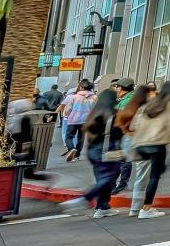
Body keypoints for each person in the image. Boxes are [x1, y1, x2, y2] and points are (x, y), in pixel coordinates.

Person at [127, 81, 170, 219]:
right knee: (154, 177)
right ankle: (146, 209)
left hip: (140, 145)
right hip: (157, 145)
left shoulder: (151, 103)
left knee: (142, 176)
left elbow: (134, 124)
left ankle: (135, 207)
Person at [58, 88, 123, 218]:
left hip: (93, 150)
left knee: (103, 179)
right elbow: (118, 134)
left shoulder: (94, 113)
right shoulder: (113, 115)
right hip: (107, 151)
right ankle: (86, 199)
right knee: (109, 178)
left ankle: (102, 207)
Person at [115, 83, 152, 203]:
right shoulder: (143, 109)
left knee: (136, 170)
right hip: (140, 143)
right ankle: (136, 204)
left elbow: (121, 122)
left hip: (128, 142)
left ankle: (132, 195)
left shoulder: (130, 105)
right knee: (142, 174)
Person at [57, 80, 96, 160]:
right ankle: (77, 155)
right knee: (81, 138)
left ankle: (71, 149)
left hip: (73, 119)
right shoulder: (95, 97)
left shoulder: (74, 97)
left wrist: (66, 116)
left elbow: (69, 109)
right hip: (86, 120)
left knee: (69, 136)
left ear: (81, 87)